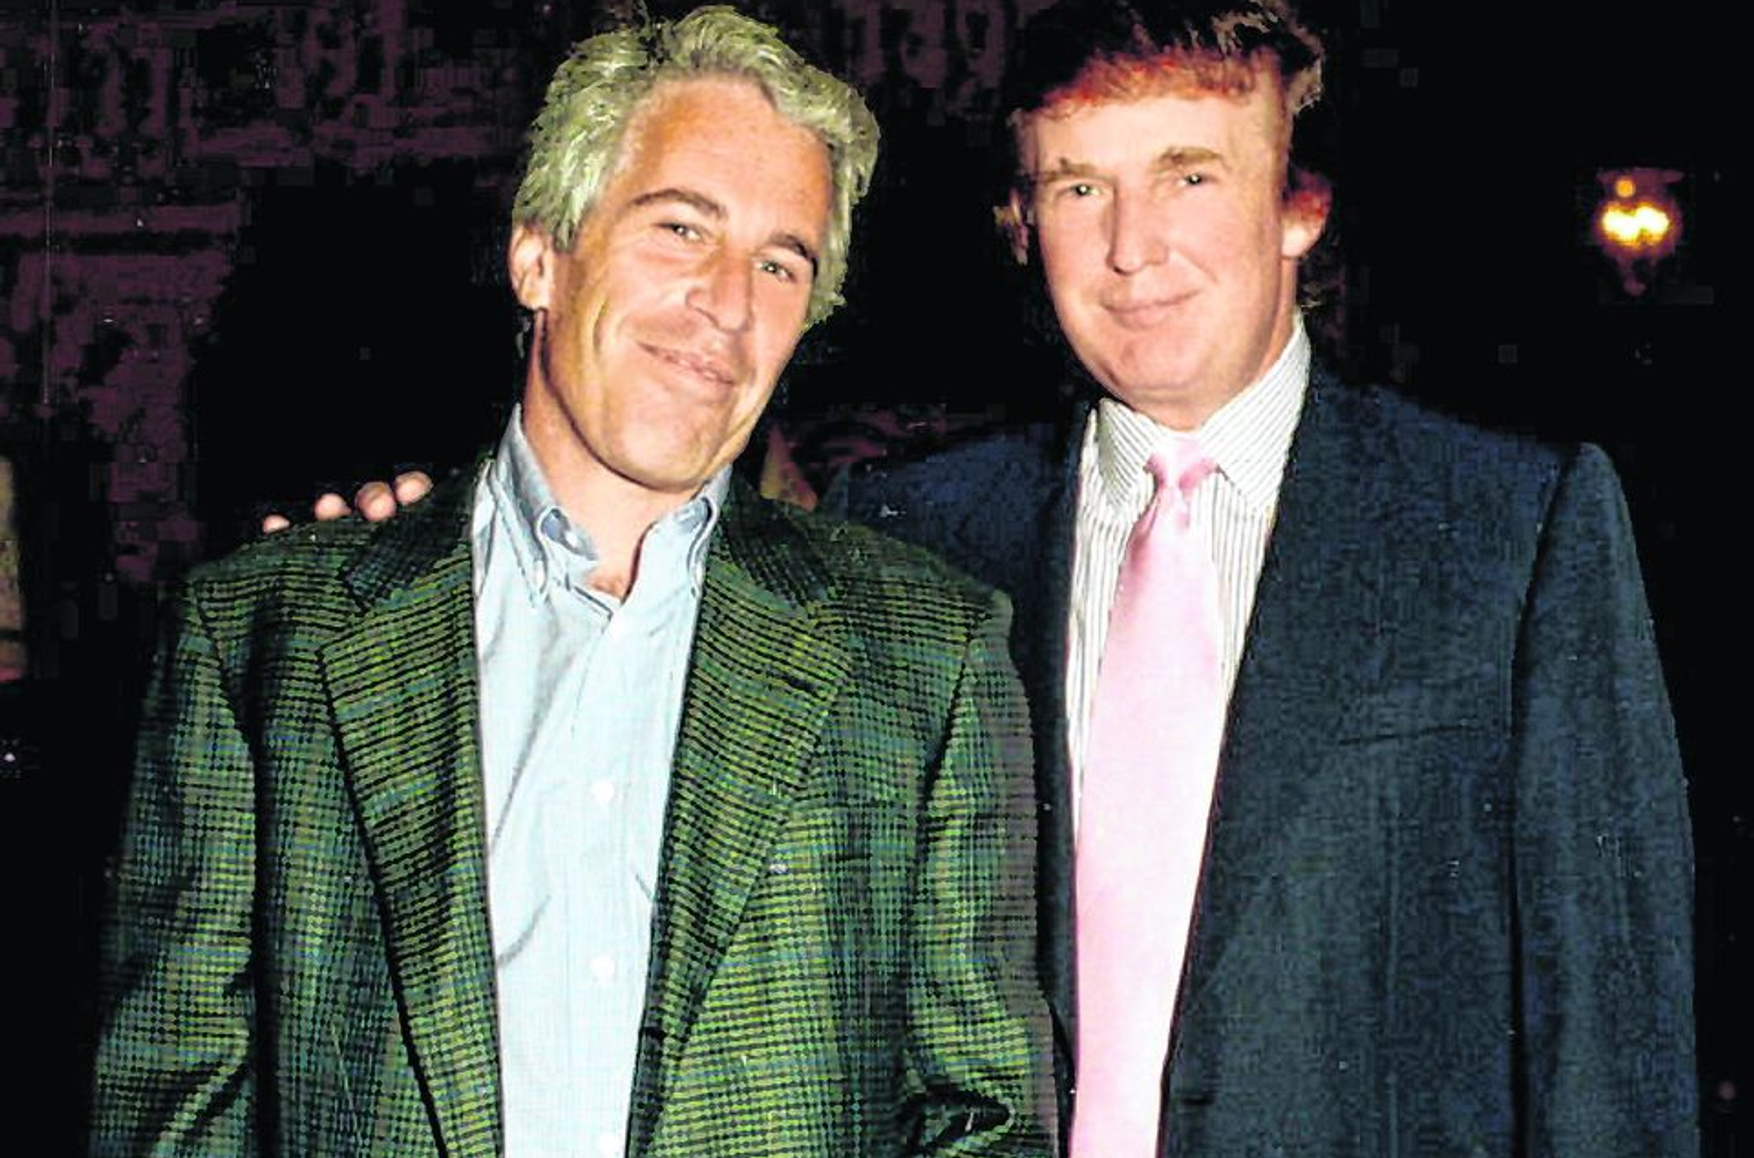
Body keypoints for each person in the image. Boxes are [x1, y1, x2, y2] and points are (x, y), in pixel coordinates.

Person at [311, 1, 1698, 1154]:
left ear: (1299, 208)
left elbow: (1611, 1047)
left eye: (1189, 176)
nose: (1131, 246)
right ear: (1021, 223)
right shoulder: (908, 535)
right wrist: (438, 559)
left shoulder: (1508, 533)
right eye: (1078, 187)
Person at [91, 8, 1054, 1156]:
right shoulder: (262, 636)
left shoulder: (926, 653)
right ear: (538, 256)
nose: (729, 304)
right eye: (681, 228)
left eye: (779, 263)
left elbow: (983, 1120)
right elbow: (173, 1108)